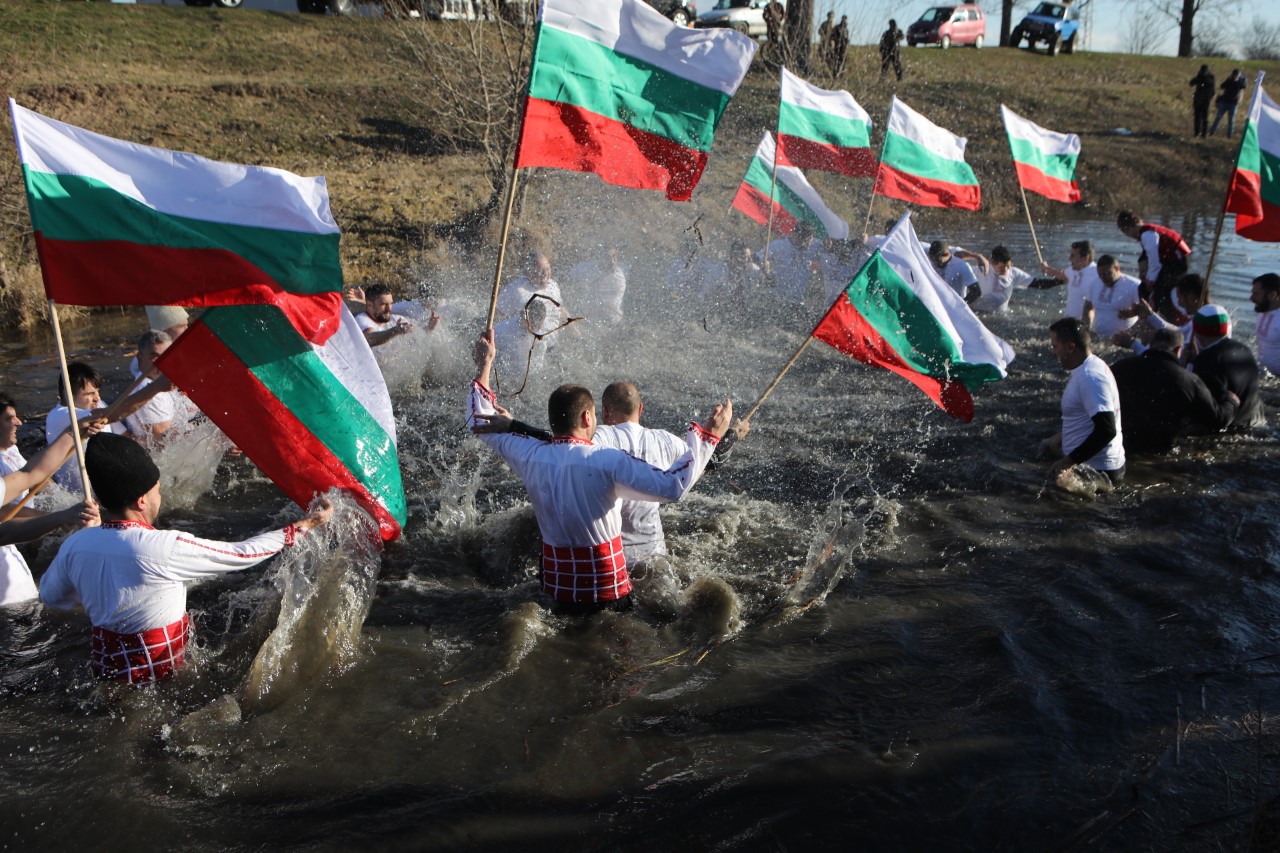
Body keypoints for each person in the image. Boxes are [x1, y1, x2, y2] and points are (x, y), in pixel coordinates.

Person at [467, 330, 732, 614]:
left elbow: (477, 419)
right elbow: (673, 487)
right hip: (608, 598)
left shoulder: (529, 455)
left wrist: (486, 363)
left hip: (556, 598)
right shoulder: (607, 460)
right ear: (586, 417)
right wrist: (710, 438)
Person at [39, 433, 333, 685]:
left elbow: (51, 597)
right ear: (142, 500)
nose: (160, 497)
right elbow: (244, 553)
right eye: (157, 490)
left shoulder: (75, 545)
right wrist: (306, 525)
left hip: (108, 679)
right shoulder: (164, 547)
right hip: (164, 680)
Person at [473, 380, 750, 565]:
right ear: (640, 409)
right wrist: (731, 436)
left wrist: (514, 426)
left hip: (610, 557)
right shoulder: (668, 442)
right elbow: (704, 462)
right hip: (653, 553)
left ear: (602, 413)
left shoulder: (600, 440)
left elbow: (559, 441)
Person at [0, 395, 100, 607]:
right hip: (8, 609)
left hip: (21, 593)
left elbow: (31, 473)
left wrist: (75, 432)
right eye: (10, 419)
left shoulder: (10, 451)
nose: (18, 422)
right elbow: (4, 530)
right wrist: (59, 519)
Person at [1110, 329, 1237, 455]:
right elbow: (1217, 419)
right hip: (1161, 453)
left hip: (1120, 445)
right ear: (1178, 350)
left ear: (1151, 344)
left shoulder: (1119, 368)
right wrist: (1231, 402)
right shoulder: (1188, 380)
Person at [1046, 317, 1126, 483]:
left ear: (1070, 347)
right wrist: (1060, 437)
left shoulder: (1091, 377)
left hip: (1097, 471)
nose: (1053, 352)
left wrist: (1067, 462)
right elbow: (1089, 419)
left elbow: (1107, 430)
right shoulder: (1086, 368)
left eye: (1055, 346)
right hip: (1089, 466)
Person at [44, 363, 129, 493]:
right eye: (89, 394)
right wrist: (155, 388)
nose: (97, 398)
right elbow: (117, 412)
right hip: (79, 499)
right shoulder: (59, 415)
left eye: (97, 391)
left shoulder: (97, 405)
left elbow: (125, 436)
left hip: (111, 488)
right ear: (67, 394)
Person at [1188, 304, 1265, 430]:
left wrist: (1189, 367)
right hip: (1255, 421)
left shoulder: (1205, 361)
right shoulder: (1244, 350)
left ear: (1197, 331)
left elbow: (1208, 414)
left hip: (1231, 430)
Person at [1116, 211, 1191, 318]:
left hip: (1177, 263)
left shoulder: (1147, 235)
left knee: (1159, 292)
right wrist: (1145, 278)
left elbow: (1154, 262)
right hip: (1169, 262)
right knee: (1142, 289)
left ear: (1125, 229)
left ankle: (1165, 318)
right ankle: (1145, 316)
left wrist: (1150, 281)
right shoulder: (1146, 232)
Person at [356, 283, 440, 368]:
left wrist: (428, 329)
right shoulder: (362, 319)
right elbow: (368, 339)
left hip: (394, 371)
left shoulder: (396, 319)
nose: (389, 308)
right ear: (370, 305)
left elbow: (416, 335)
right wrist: (395, 331)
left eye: (391, 303)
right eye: (383, 304)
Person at [1083, 254, 1141, 342]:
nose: (1103, 278)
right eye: (1100, 274)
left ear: (1117, 269)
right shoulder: (1094, 284)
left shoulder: (1134, 286)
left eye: (1107, 274)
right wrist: (1087, 330)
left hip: (1124, 340)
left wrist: (1132, 313)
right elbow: (1087, 308)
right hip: (1099, 339)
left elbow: (1147, 313)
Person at [1038, 240, 1101, 320]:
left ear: (1085, 258)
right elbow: (1062, 274)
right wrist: (1047, 269)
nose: (1069, 258)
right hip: (1068, 322)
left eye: (1073, 256)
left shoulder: (1098, 274)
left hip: (1085, 326)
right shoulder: (1073, 269)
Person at [762, 221, 820, 307]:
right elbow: (757, 259)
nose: (810, 244)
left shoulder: (814, 247)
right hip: (775, 299)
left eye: (811, 240)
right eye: (808, 241)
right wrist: (765, 268)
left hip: (798, 303)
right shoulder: (778, 246)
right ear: (798, 236)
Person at [966, 246, 1036, 314]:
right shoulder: (980, 270)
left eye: (1008, 265)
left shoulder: (1014, 273)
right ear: (993, 263)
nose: (1006, 269)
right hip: (979, 313)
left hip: (1001, 315)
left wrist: (1047, 271)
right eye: (1002, 267)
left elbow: (1036, 283)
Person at [567, 247, 626, 324]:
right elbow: (568, 280)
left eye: (614, 256)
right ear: (600, 256)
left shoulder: (619, 278)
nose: (612, 261)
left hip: (612, 321)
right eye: (607, 257)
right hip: (588, 319)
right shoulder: (584, 268)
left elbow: (603, 304)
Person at [1250, 272, 1280, 376]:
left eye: (1256, 294)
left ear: (1272, 295)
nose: (1251, 298)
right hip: (1261, 375)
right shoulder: (1263, 310)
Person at [1210, 69, 1248, 137]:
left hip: (1233, 103)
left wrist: (1238, 80)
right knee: (1218, 117)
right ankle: (1212, 131)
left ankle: (1229, 134)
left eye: (1236, 75)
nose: (1234, 76)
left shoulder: (1241, 81)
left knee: (1231, 120)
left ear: (1239, 75)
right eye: (1234, 75)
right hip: (1224, 101)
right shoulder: (1229, 79)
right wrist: (1230, 80)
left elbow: (1244, 86)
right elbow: (1222, 86)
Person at [1189, 64, 1215, 139]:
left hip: (1206, 99)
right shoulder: (1199, 76)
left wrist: (1203, 77)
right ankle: (1197, 132)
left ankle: (1204, 133)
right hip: (1198, 98)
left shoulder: (1210, 77)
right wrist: (1198, 77)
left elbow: (1211, 85)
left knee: (1205, 117)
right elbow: (1191, 83)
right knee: (1197, 116)